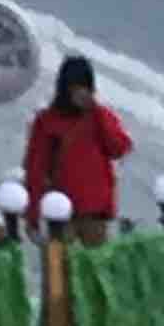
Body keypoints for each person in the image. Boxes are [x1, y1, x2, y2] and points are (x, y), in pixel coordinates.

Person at [23, 55, 132, 239]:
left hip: (95, 212)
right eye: (74, 87)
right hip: (60, 212)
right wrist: (32, 215)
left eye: (84, 86)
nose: (80, 92)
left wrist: (97, 112)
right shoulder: (47, 122)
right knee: (62, 264)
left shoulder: (99, 116)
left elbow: (119, 148)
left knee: (94, 265)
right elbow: (36, 169)